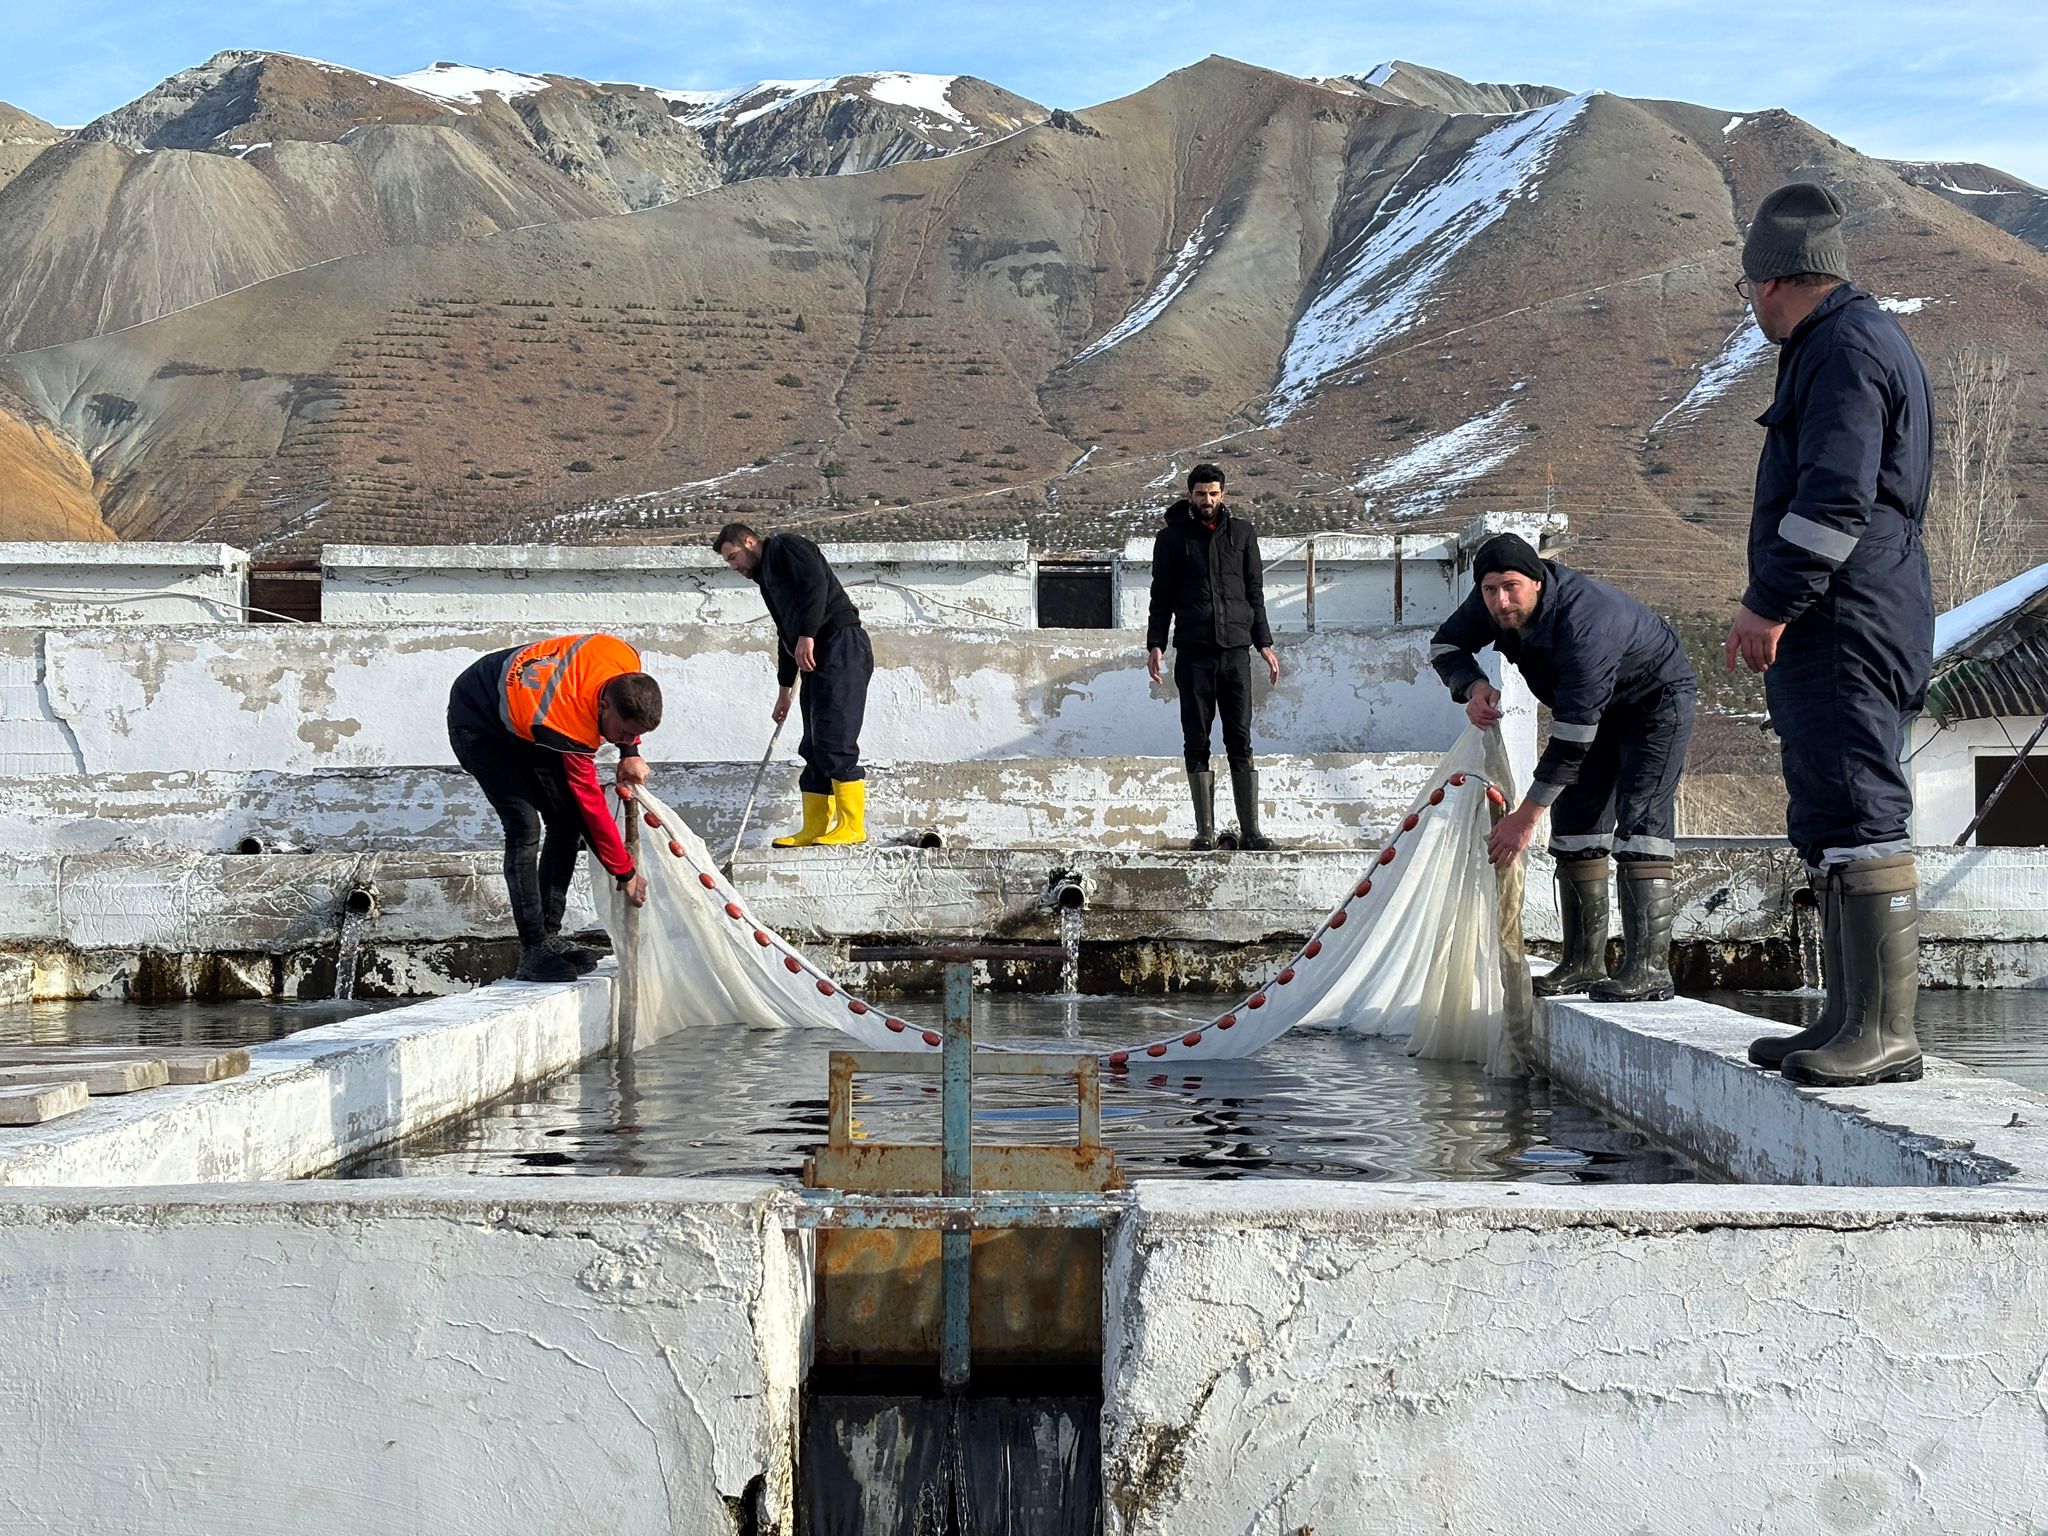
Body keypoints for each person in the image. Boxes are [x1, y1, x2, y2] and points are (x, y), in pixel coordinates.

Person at [1725, 183, 1935, 1088]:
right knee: (1827, 806)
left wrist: (1769, 602)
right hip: (1842, 611)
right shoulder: (1846, 340)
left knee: (1857, 800)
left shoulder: (1842, 348)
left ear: (1771, 281)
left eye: (1748, 292)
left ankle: (1886, 1032)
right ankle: (1851, 1018)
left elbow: (1834, 500)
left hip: (1844, 614)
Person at [1431, 533, 1696, 1002]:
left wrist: (1525, 818)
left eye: (1511, 587)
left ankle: (1649, 969)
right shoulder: (1491, 600)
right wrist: (1472, 686)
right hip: (1590, 713)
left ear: (1537, 580)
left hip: (1654, 706)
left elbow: (1572, 741)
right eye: (1491, 590)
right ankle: (1582, 964)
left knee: (1641, 827)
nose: (1501, 600)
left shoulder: (1586, 623)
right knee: (1575, 830)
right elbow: (1444, 647)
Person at [446, 633, 660, 983]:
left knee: (563, 822)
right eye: (620, 732)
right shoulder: (567, 722)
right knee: (524, 826)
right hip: (478, 720)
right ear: (603, 706)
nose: (618, 740)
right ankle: (533, 949)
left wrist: (630, 752)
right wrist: (625, 872)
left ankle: (550, 936)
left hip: (529, 713)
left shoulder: (623, 659)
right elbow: (588, 805)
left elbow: (628, 707)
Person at [1145, 464, 1282, 850]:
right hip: (1193, 653)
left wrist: (1264, 644)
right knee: (1197, 740)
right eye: (1201, 493)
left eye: (1214, 493)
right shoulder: (1171, 539)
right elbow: (1161, 596)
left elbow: (1255, 592)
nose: (1208, 500)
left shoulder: (1242, 534)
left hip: (1236, 652)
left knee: (1240, 739)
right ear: (1190, 494)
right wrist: (1156, 643)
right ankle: (1204, 831)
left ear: (1224, 495)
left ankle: (1251, 831)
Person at [713, 523, 874, 847]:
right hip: (814, 654)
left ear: (749, 541)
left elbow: (815, 584)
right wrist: (784, 691)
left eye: (733, 557)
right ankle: (815, 828)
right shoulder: (766, 581)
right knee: (814, 744)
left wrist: (808, 635)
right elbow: (785, 634)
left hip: (841, 645)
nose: (734, 566)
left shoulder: (786, 547)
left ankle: (852, 827)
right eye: (729, 562)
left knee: (836, 736)